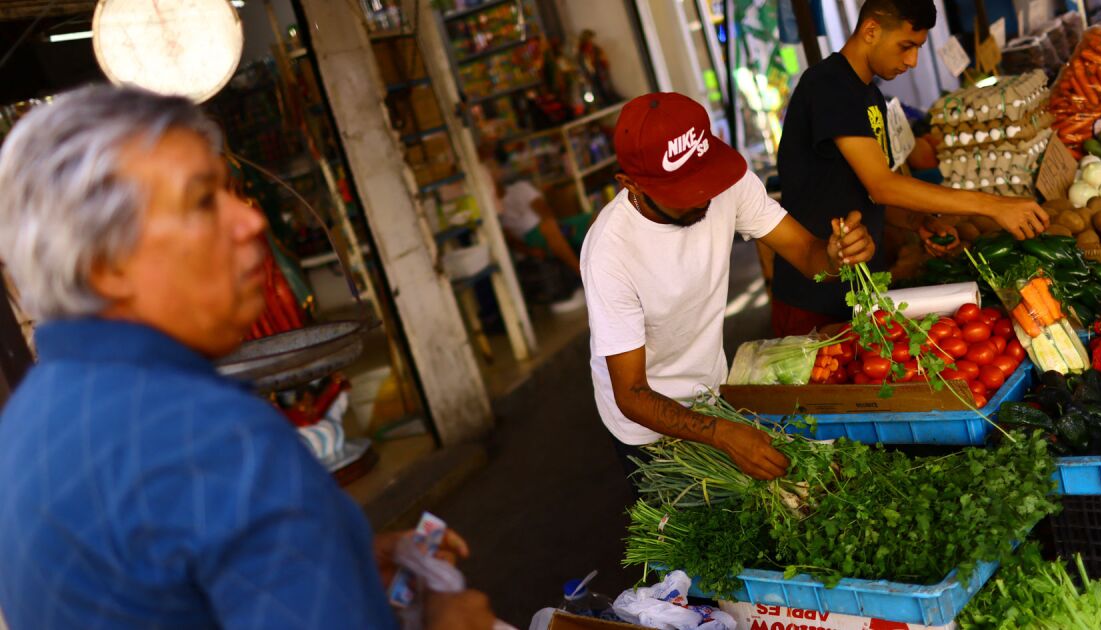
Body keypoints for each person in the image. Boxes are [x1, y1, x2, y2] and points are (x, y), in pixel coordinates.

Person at [0, 85, 493, 629]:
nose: (251, 221)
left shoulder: (26, 424)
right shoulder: (214, 438)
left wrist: (340, 564)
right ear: (104, 264)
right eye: (203, 200)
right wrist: (453, 624)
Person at [583, 93, 875, 482]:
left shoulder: (726, 184)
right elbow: (631, 393)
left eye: (704, 179)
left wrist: (837, 255)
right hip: (647, 429)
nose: (704, 195)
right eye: (684, 191)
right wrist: (723, 434)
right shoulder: (610, 253)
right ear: (630, 184)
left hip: (712, 392)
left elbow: (807, 254)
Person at [771, 0, 1050, 336]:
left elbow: (863, 191)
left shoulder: (869, 95)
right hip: (813, 296)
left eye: (918, 47)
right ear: (871, 30)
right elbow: (882, 185)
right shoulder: (828, 86)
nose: (912, 61)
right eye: (906, 46)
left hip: (860, 289)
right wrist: (994, 205)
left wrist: (917, 222)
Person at [483, 147, 588, 276]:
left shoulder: (520, 188)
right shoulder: (493, 210)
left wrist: (557, 228)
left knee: (592, 219)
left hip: (552, 227)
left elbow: (545, 212)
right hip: (532, 239)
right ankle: (581, 272)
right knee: (549, 229)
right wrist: (530, 251)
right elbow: (510, 239)